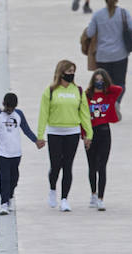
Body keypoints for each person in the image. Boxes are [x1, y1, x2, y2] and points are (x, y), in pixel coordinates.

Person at [35, 60, 93, 213]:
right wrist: (40, 135)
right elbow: (43, 114)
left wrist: (89, 133)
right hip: (55, 132)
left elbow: (84, 113)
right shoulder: (51, 91)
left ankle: (64, 199)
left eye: (73, 71)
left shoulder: (78, 91)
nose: (71, 74)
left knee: (68, 166)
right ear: (61, 73)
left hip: (72, 132)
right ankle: (53, 189)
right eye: (68, 71)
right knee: (55, 165)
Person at [0, 92, 37, 215]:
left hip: (15, 153)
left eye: (11, 108)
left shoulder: (19, 114)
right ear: (4, 104)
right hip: (2, 153)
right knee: (4, 178)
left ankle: (10, 196)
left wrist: (36, 140)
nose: (9, 110)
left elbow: (26, 129)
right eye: (7, 108)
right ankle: (3, 203)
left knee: (14, 178)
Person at [83, 0, 132, 101]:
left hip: (102, 56)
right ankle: (116, 102)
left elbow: (90, 33)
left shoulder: (97, 15)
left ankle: (105, 105)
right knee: (120, 83)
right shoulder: (123, 13)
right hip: (120, 55)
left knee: (102, 84)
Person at [85, 68, 123, 210]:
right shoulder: (87, 95)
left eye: (101, 80)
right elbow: (83, 116)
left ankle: (101, 198)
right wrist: (84, 135)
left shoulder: (109, 94)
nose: (99, 83)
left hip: (104, 132)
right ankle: (93, 194)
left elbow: (119, 89)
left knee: (102, 166)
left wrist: (106, 86)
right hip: (90, 133)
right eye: (96, 80)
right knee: (92, 166)